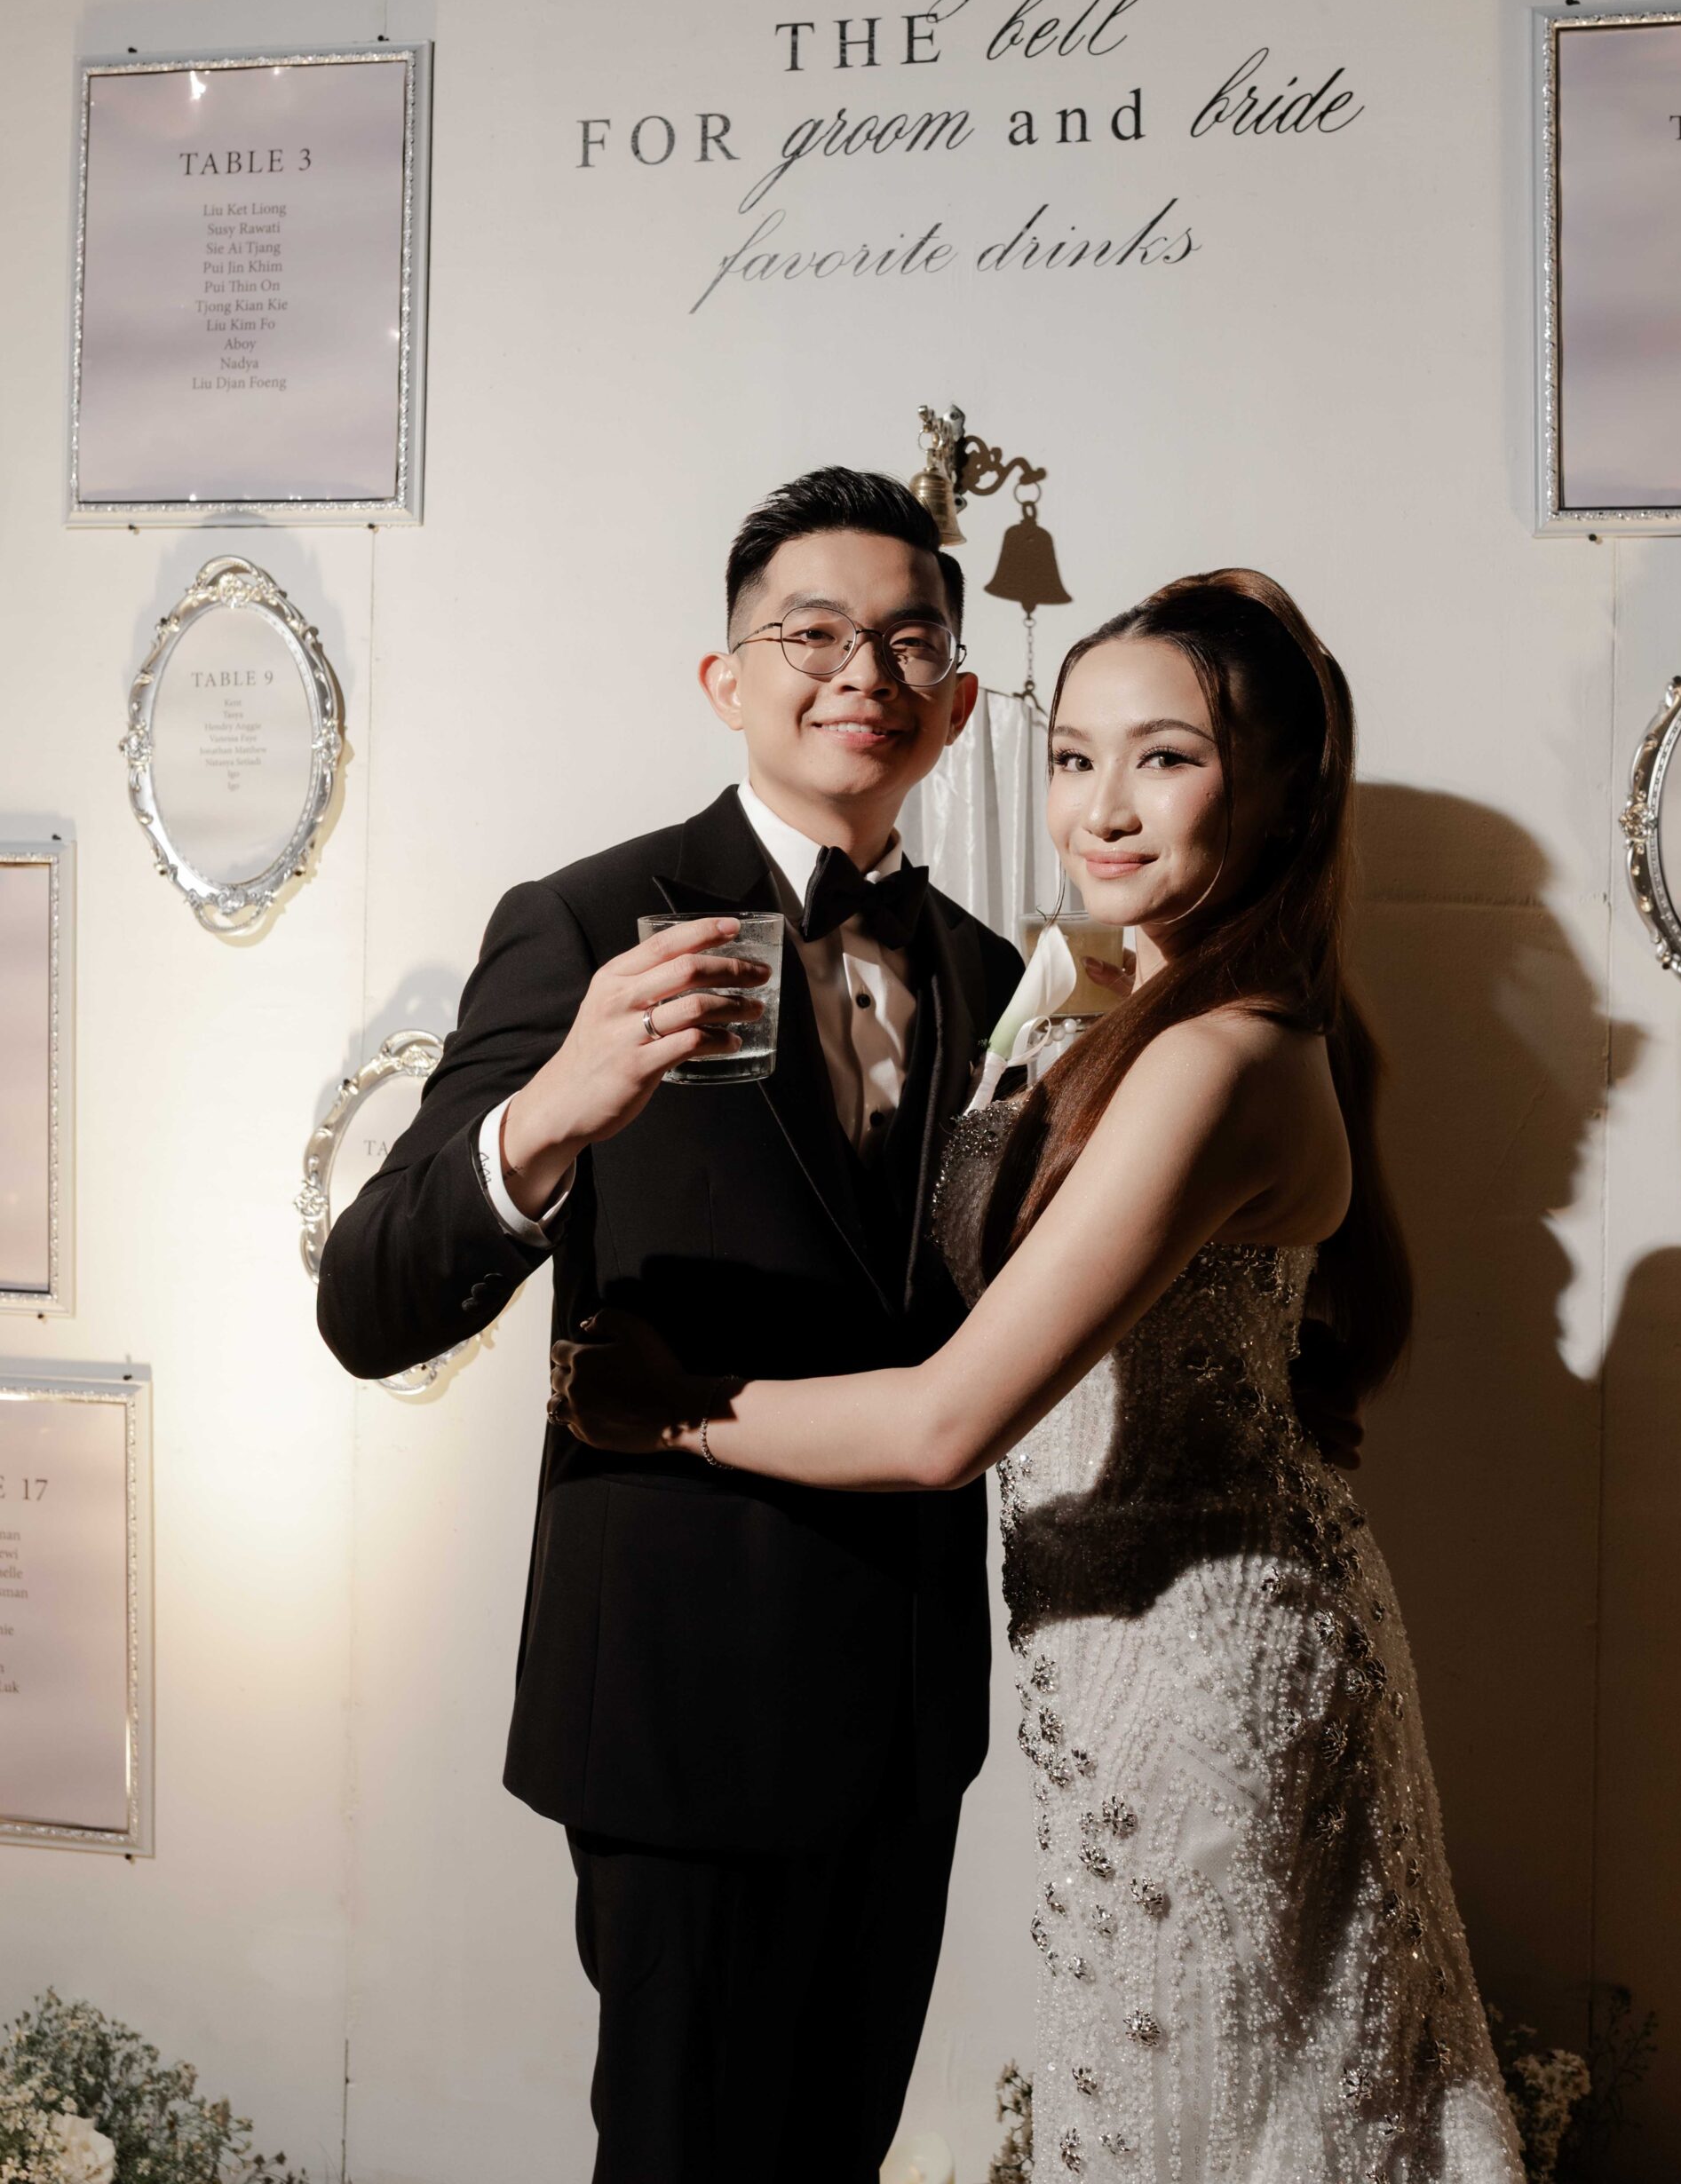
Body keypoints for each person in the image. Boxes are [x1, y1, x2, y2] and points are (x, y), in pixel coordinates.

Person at [551, 571, 1526, 2182]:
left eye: (1167, 759)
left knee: (1229, 2120)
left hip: (1208, 1670)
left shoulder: (1216, 1058)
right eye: (1074, 758)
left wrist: (667, 1412)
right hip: (1109, 1659)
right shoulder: (1131, 1007)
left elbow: (949, 1423)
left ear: (1280, 791)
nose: (1102, 808)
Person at [315, 468, 1027, 2182]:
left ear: (955, 703)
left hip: (907, 1708)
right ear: (727, 679)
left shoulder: (994, 978)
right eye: (815, 634)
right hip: (682, 1699)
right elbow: (369, 1299)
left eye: (909, 642)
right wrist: (551, 1114)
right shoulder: (582, 921)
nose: (863, 672)